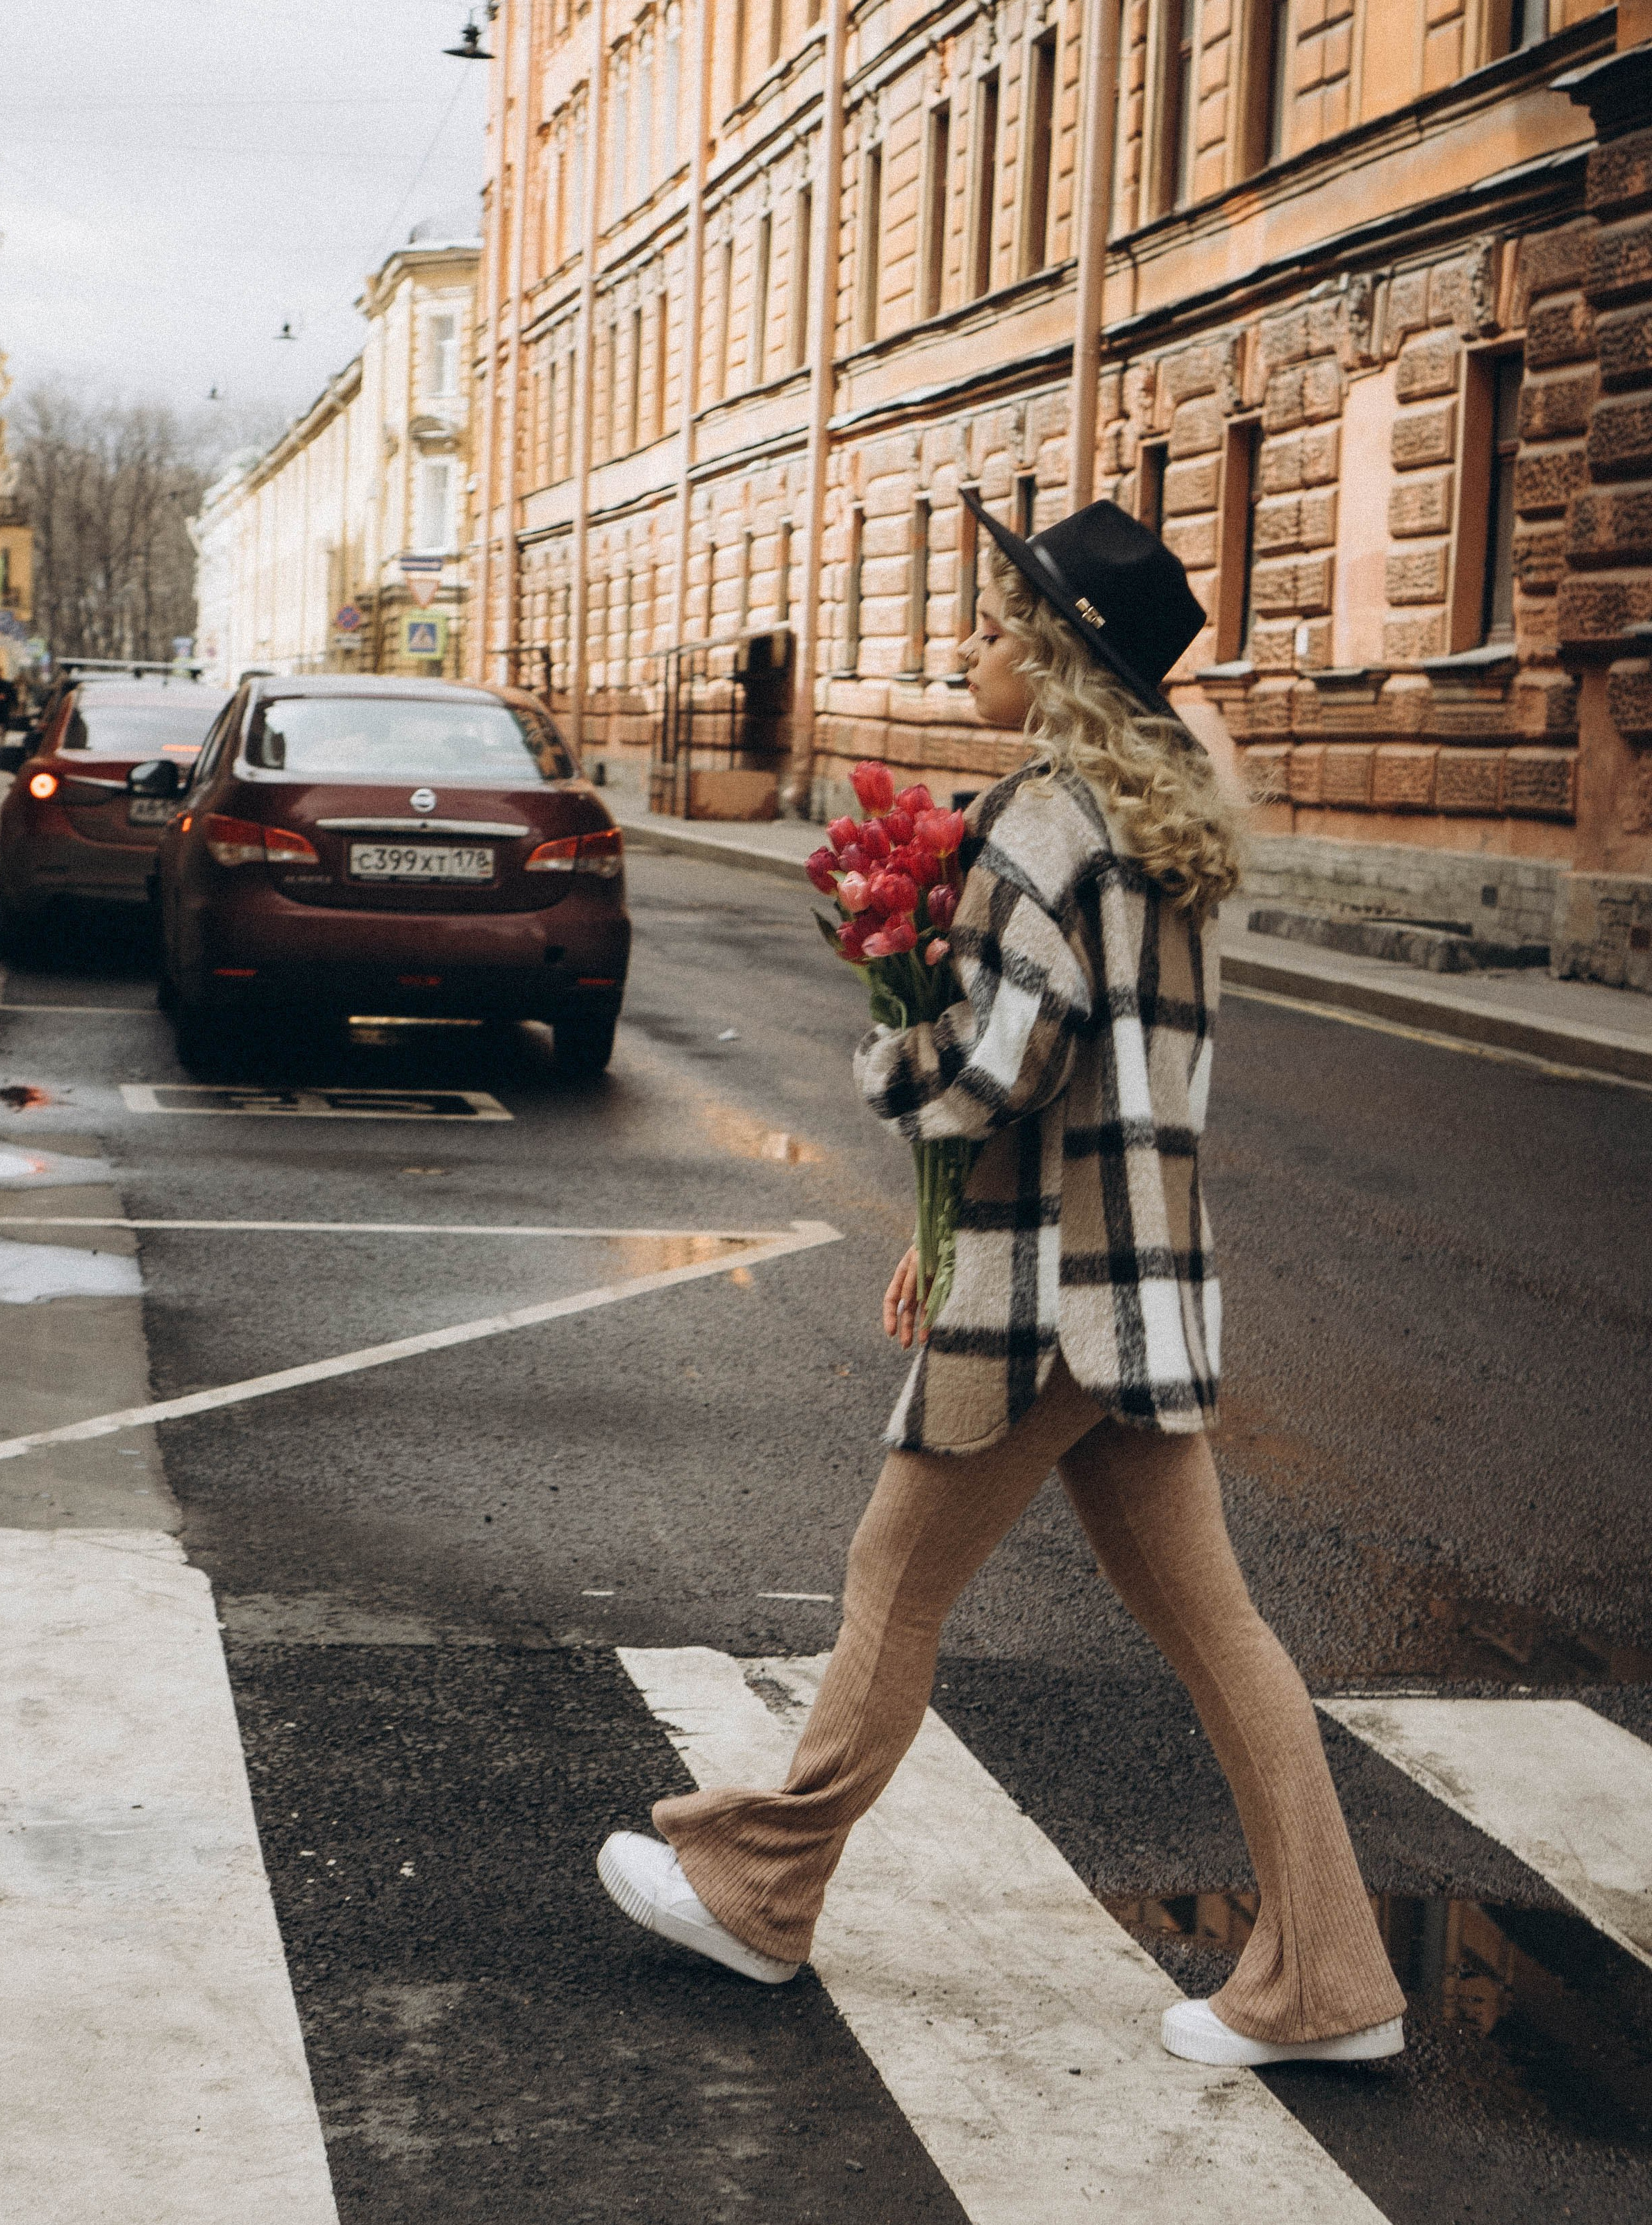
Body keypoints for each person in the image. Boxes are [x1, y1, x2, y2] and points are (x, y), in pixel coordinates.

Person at [597, 495, 1406, 2070]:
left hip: (1045, 1305)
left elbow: (1000, 1062)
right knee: (1218, 1635)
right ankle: (1332, 1984)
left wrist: (887, 1059)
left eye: (990, 630)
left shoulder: (1046, 817)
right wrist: (939, 1223)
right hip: (1138, 1283)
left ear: (1055, 665)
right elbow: (1109, 1082)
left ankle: (759, 1891)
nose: (965, 649)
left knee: (892, 1583)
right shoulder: (1162, 819)